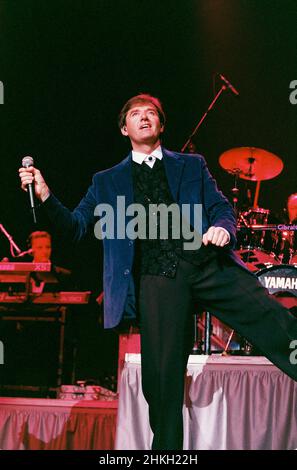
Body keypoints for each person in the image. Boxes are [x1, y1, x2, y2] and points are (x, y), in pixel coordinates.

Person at [19, 93, 297, 450]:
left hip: (206, 262)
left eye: (152, 113)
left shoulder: (191, 165)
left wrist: (224, 228)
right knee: (162, 383)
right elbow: (75, 227)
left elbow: (221, 208)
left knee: (273, 320)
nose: (144, 117)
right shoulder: (107, 181)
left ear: (161, 125)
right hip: (158, 280)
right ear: (125, 128)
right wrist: (44, 195)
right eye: (135, 114)